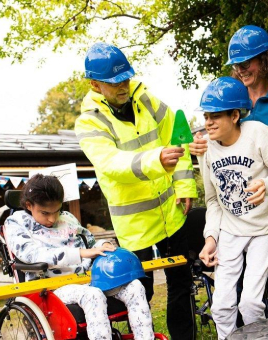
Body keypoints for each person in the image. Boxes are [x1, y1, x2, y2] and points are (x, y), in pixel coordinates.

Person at [190, 25, 268, 317]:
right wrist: (201, 146)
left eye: (247, 62)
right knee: (241, 281)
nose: (242, 69)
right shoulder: (228, 98)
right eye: (237, 64)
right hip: (234, 208)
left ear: (265, 60)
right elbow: (215, 139)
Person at [75, 42, 198, 339]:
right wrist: (156, 159)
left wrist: (184, 185)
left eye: (126, 78)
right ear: (95, 84)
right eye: (114, 81)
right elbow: (112, 164)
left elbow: (177, 142)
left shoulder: (148, 100)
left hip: (172, 212)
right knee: (137, 291)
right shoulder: (89, 123)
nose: (122, 86)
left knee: (180, 282)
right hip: (134, 225)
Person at [197, 77, 268, 339]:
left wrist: (267, 186)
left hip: (263, 229)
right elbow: (213, 201)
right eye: (206, 116)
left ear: (235, 115)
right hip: (231, 231)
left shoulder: (257, 133)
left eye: (215, 116)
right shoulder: (206, 149)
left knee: (250, 304)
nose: (208, 122)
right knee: (221, 306)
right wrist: (211, 239)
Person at [4, 174, 154, 340]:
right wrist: (80, 253)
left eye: (56, 211)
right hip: (51, 287)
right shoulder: (16, 223)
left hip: (89, 279)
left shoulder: (67, 218)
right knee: (93, 294)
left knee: (135, 287)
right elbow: (31, 254)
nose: (52, 218)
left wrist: (102, 246)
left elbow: (89, 242)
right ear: (28, 205)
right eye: (45, 213)